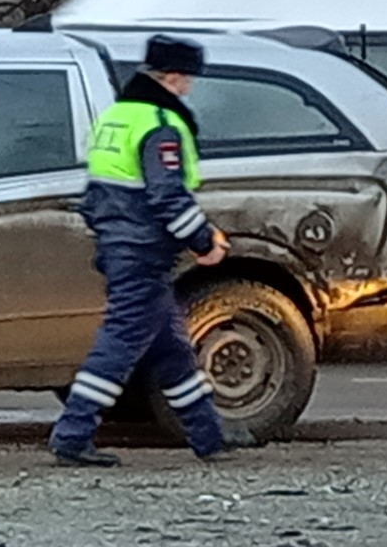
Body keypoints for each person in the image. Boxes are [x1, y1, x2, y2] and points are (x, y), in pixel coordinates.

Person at [49, 34, 243, 467]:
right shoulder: (160, 124)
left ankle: (208, 435)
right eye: (188, 78)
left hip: (118, 243)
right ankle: (73, 432)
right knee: (120, 343)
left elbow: (99, 192)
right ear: (171, 77)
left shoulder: (116, 117)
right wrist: (205, 242)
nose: (190, 86)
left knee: (171, 348)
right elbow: (167, 196)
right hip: (143, 250)